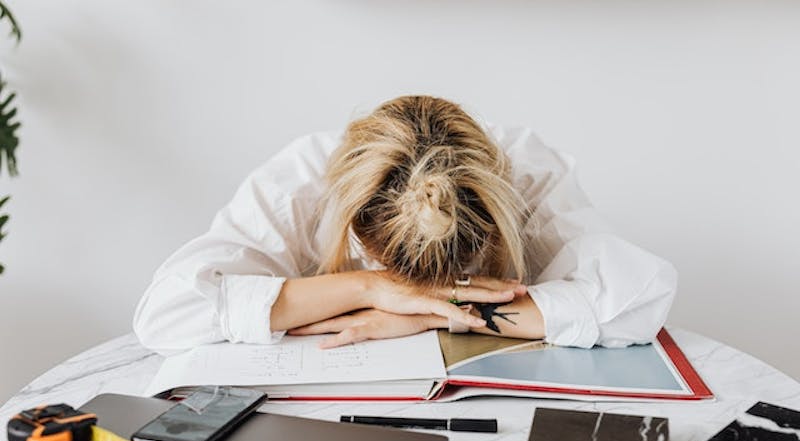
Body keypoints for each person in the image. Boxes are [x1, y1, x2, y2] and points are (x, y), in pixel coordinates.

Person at [133, 95, 677, 354]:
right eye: (391, 270)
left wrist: (434, 315)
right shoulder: (300, 179)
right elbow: (167, 314)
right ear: (352, 218)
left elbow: (637, 299)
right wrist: (370, 288)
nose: (410, 292)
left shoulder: (524, 172)